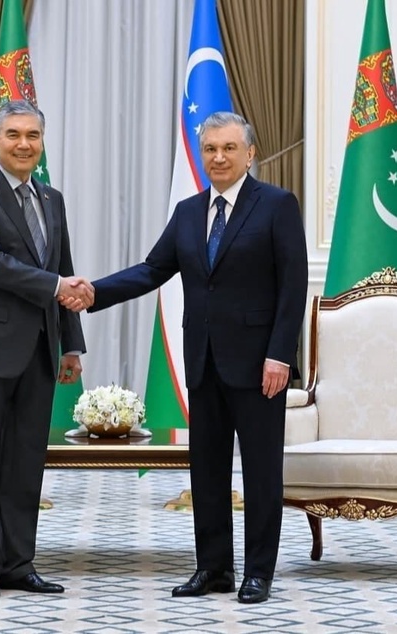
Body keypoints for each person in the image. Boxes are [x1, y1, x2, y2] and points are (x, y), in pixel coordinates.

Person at [86, 112, 308, 604]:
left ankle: (258, 573)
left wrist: (280, 355)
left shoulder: (276, 205)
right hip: (203, 361)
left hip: (260, 367)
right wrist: (93, 293)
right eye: (210, 149)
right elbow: (151, 270)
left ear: (250, 153)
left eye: (229, 148)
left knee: (260, 472)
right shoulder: (188, 211)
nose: (219, 157)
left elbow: (294, 285)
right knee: (206, 471)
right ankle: (213, 569)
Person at [0, 99, 93, 599]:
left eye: (33, 135)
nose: (24, 144)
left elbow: (63, 266)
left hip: (40, 348)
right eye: (13, 135)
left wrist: (71, 346)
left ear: (42, 142)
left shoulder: (52, 198)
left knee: (26, 460)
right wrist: (56, 286)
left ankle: (18, 562)